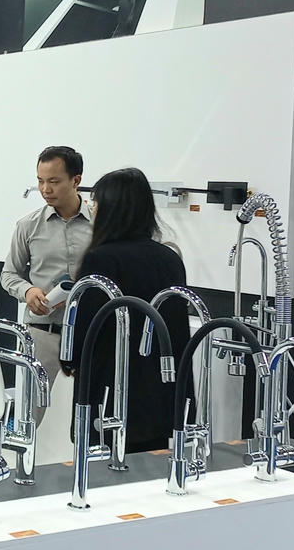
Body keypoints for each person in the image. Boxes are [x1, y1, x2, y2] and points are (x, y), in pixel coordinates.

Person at [63, 167, 189, 453]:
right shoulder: (169, 259)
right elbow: (177, 327)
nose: (93, 210)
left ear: (111, 209)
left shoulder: (101, 259)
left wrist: (69, 358)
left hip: (110, 389)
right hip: (158, 389)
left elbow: (85, 326)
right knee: (150, 467)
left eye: (96, 203)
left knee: (103, 466)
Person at [0, 146, 92, 388]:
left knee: (87, 405)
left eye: (54, 181)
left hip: (89, 333)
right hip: (42, 334)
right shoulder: (28, 226)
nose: (45, 189)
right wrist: (28, 291)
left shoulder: (101, 223)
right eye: (40, 181)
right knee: (35, 406)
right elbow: (9, 274)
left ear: (76, 180)